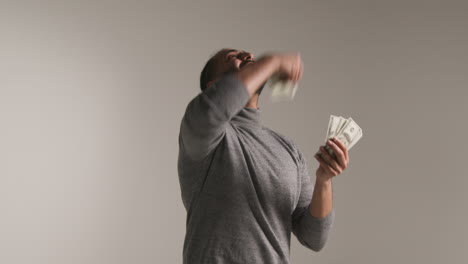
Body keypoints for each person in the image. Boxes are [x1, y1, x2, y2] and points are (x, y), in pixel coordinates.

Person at [177, 48, 350, 264]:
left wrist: (324, 179)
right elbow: (212, 110)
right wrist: (272, 61)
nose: (248, 55)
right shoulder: (200, 132)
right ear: (213, 87)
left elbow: (314, 238)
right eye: (233, 57)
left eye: (247, 56)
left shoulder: (289, 150)